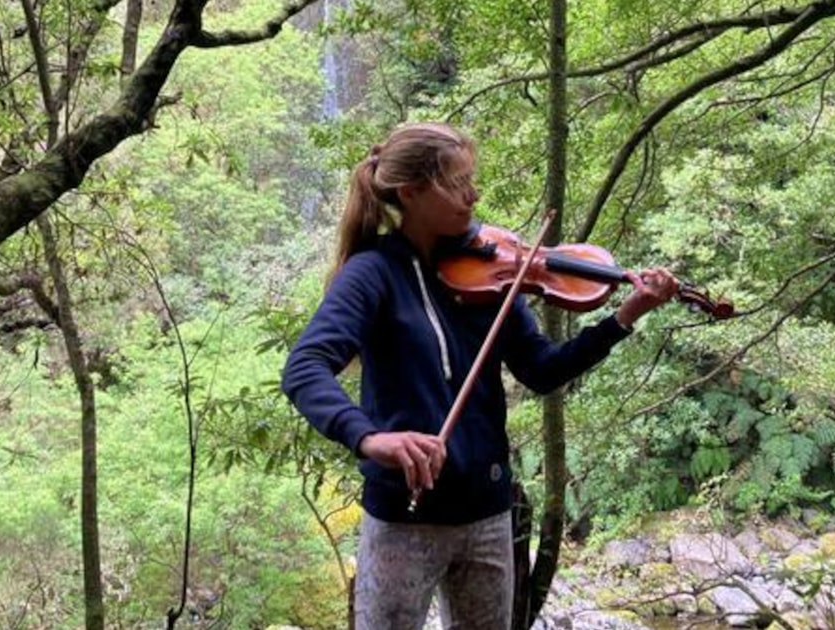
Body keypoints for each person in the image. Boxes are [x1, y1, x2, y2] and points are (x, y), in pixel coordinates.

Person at [280, 122, 678, 630]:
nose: (474, 195)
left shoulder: (492, 271)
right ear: (412, 192)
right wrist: (371, 438)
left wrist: (625, 317)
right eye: (458, 183)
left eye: (472, 179)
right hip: (404, 517)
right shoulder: (372, 274)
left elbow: (541, 370)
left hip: (488, 514)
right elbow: (305, 367)